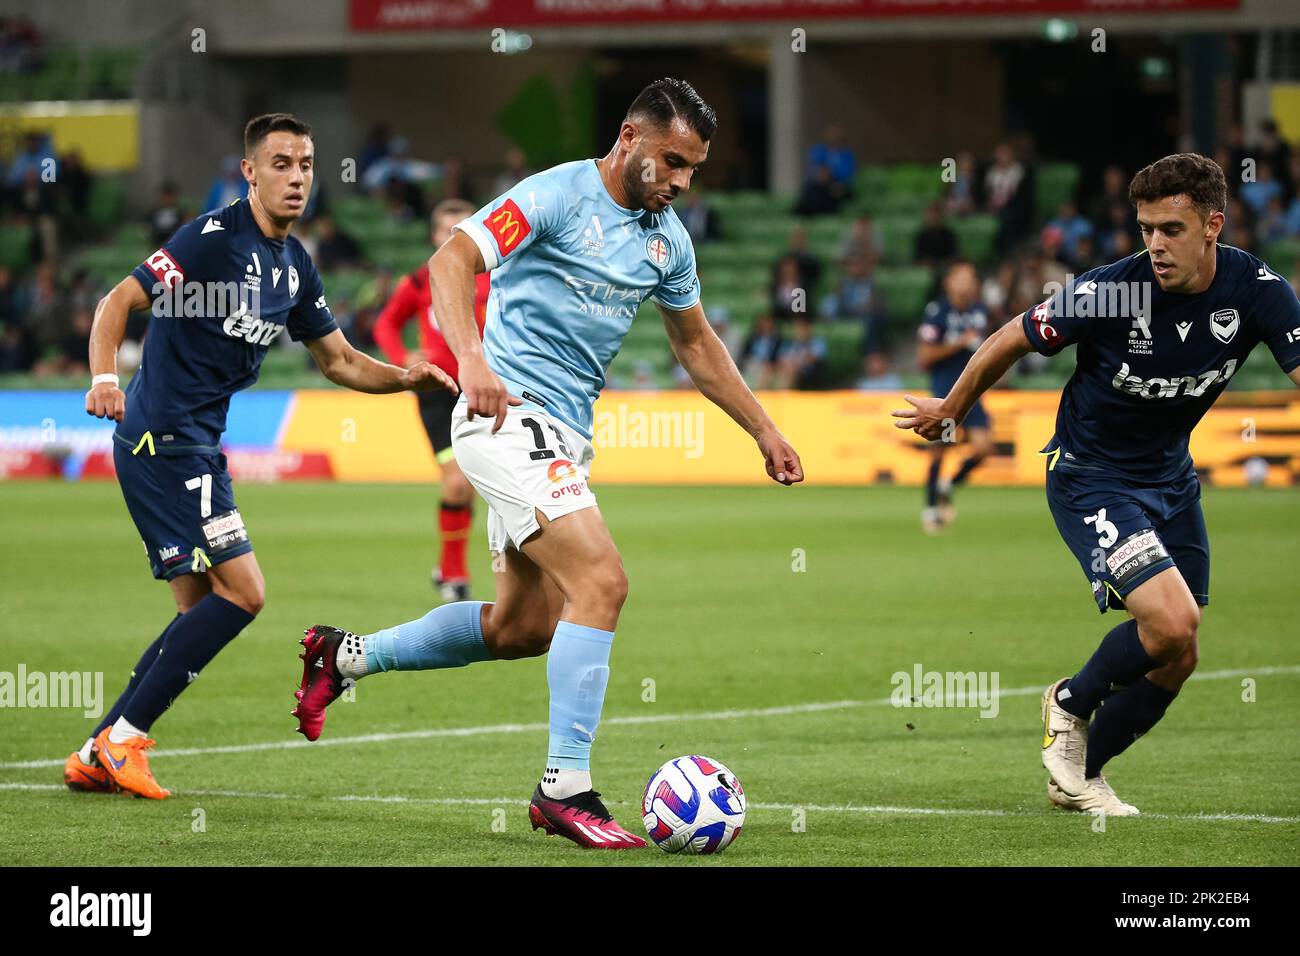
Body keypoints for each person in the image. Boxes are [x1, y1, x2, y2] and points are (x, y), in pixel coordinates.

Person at [292, 78, 804, 850]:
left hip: (562, 435)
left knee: (521, 628)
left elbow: (695, 345)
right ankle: (565, 787)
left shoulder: (668, 240)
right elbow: (451, 261)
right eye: (671, 161)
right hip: (505, 414)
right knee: (602, 582)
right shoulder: (557, 195)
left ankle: (347, 655)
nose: (680, 183)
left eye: (692, 169)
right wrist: (472, 358)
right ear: (630, 137)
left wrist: (762, 429)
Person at [893, 153, 1300, 815]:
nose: (1155, 245)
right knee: (1172, 621)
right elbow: (1012, 337)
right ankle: (1069, 701)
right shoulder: (1114, 291)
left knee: (1178, 653)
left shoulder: (1259, 292)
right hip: (1090, 477)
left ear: (1213, 226)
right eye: (1145, 229)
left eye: (1171, 228)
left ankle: (1078, 776)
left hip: (1171, 480)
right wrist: (953, 409)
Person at [71, 113, 456, 800]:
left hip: (191, 447)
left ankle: (98, 748)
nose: (298, 177)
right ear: (249, 172)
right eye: (281, 163)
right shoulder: (213, 240)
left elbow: (336, 359)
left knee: (199, 614)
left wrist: (402, 376)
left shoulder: (294, 266)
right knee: (245, 594)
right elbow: (118, 300)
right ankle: (121, 739)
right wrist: (104, 377)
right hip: (163, 441)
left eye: (306, 164)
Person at [373, 198, 490, 600]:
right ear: (434, 235)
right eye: (446, 230)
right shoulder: (421, 282)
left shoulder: (497, 277)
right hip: (439, 394)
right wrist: (402, 358)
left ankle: (447, 567)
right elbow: (386, 323)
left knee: (476, 483)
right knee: (456, 482)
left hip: (488, 389)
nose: (453, 237)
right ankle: (455, 576)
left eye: (463, 229)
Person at [915, 260, 994, 533]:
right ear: (948, 282)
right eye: (960, 277)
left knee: (984, 449)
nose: (966, 283)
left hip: (974, 393)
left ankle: (949, 485)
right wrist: (959, 343)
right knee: (939, 452)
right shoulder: (937, 312)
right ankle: (930, 510)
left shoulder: (980, 312)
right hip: (944, 394)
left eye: (970, 278)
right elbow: (924, 357)